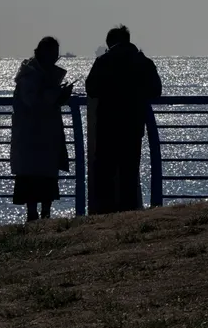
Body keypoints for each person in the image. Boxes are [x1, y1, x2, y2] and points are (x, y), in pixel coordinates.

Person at [85, 25, 162, 213]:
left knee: (105, 170)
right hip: (132, 124)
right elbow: (156, 90)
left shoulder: (103, 61)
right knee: (129, 170)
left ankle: (103, 212)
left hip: (107, 124)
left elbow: (91, 88)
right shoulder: (143, 62)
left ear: (110, 43)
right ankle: (128, 212)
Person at [10, 37, 73, 221]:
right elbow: (33, 102)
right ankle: (35, 213)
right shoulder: (30, 75)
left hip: (43, 133)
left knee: (42, 175)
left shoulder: (31, 73)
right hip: (33, 134)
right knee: (34, 175)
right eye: (53, 53)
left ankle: (44, 212)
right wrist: (57, 94)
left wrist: (59, 96)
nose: (55, 58)